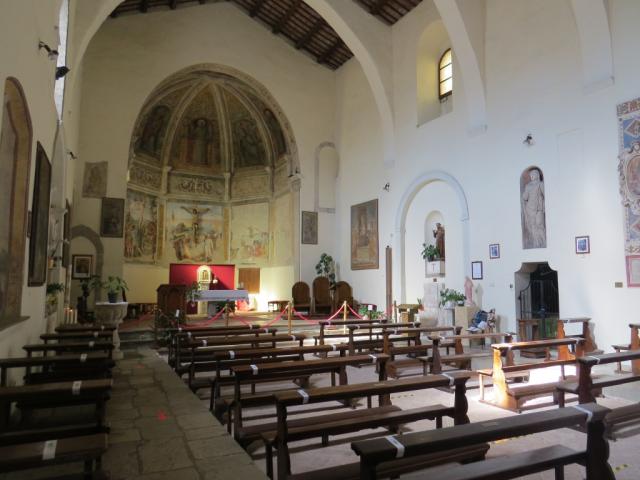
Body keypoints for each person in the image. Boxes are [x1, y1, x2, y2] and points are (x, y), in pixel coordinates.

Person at [522, 168, 546, 248]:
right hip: (530, 209)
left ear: (537, 175)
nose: (532, 176)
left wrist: (543, 206)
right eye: (531, 175)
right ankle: (536, 242)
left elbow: (545, 195)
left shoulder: (540, 184)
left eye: (533, 174)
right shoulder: (528, 186)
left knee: (540, 224)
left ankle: (544, 241)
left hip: (539, 208)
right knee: (533, 227)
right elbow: (525, 197)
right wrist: (524, 195)